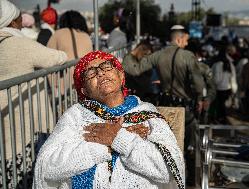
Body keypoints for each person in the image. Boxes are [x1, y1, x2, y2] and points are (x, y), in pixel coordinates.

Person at [33, 50, 185, 189]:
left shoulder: (147, 113)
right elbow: (46, 167)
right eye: (90, 73)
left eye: (106, 67)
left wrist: (118, 137)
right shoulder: (75, 116)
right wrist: (107, 145)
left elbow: (169, 168)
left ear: (121, 76)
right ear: (84, 90)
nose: (100, 73)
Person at [122, 25, 204, 186]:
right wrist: (200, 98)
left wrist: (130, 55)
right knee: (189, 146)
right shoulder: (188, 56)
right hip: (186, 109)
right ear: (179, 39)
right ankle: (188, 181)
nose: (187, 43)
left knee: (169, 145)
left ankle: (169, 181)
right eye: (186, 39)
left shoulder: (158, 55)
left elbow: (135, 69)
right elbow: (198, 84)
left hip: (166, 107)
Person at [0, 0, 67, 187]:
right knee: (25, 163)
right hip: (24, 115)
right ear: (12, 21)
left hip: (6, 117)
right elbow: (56, 57)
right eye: (19, 16)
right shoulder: (19, 43)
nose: (22, 20)